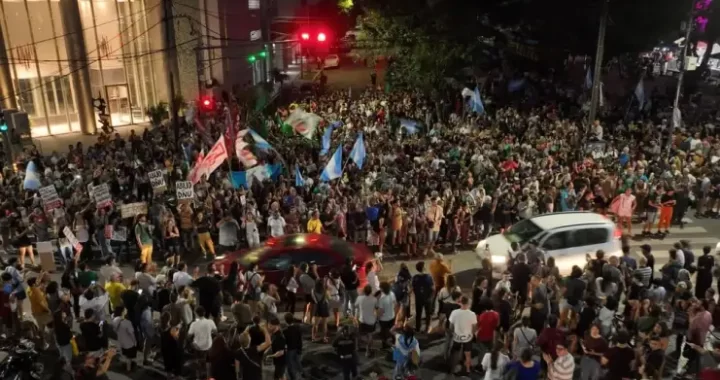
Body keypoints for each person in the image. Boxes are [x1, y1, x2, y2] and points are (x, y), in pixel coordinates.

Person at [448, 296, 476, 375]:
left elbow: (451, 326)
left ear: (460, 302)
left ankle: (452, 369)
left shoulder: (454, 312)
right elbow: (474, 327)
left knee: (454, 353)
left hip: (457, 337)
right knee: (468, 354)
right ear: (468, 303)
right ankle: (467, 370)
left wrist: (453, 333)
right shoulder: (472, 314)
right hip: (467, 337)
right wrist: (472, 334)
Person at [187, 306, 217, 378]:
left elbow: (188, 336)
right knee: (208, 361)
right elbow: (216, 332)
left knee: (198, 362)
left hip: (198, 347)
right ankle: (208, 374)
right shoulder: (210, 322)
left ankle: (199, 375)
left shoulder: (194, 324)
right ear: (204, 313)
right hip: (208, 346)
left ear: (196, 314)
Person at [111, 305, 137, 372]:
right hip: (129, 343)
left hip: (120, 341)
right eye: (125, 310)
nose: (126, 311)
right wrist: (135, 341)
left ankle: (125, 364)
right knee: (129, 357)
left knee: (125, 354)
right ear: (122, 312)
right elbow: (131, 333)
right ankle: (128, 369)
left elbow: (114, 330)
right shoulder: (127, 322)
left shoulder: (114, 320)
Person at [412, 261, 434, 333]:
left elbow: (413, 288)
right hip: (428, 298)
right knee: (428, 313)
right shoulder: (428, 277)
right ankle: (427, 328)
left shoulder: (415, 278)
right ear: (423, 268)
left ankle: (418, 327)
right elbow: (432, 288)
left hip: (418, 298)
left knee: (418, 313)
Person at [283, 313, 303, 380]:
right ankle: (300, 376)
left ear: (285, 321)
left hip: (290, 350)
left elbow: (284, 343)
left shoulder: (285, 331)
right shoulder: (297, 328)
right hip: (297, 349)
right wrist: (300, 349)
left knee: (290, 367)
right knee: (298, 364)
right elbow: (300, 339)